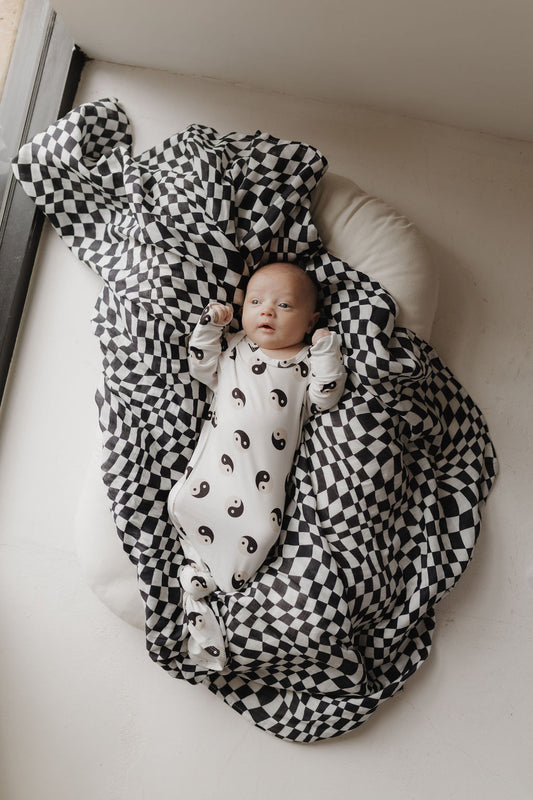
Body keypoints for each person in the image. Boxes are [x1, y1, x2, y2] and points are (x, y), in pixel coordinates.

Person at [168, 261, 347, 670]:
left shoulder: (305, 361)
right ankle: (201, 570)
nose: (267, 311)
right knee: (196, 504)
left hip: (260, 484)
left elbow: (327, 396)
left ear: (310, 321)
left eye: (284, 305)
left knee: (264, 529)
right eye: (256, 301)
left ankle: (210, 581)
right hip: (213, 475)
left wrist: (326, 350)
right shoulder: (235, 347)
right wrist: (209, 328)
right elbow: (201, 366)